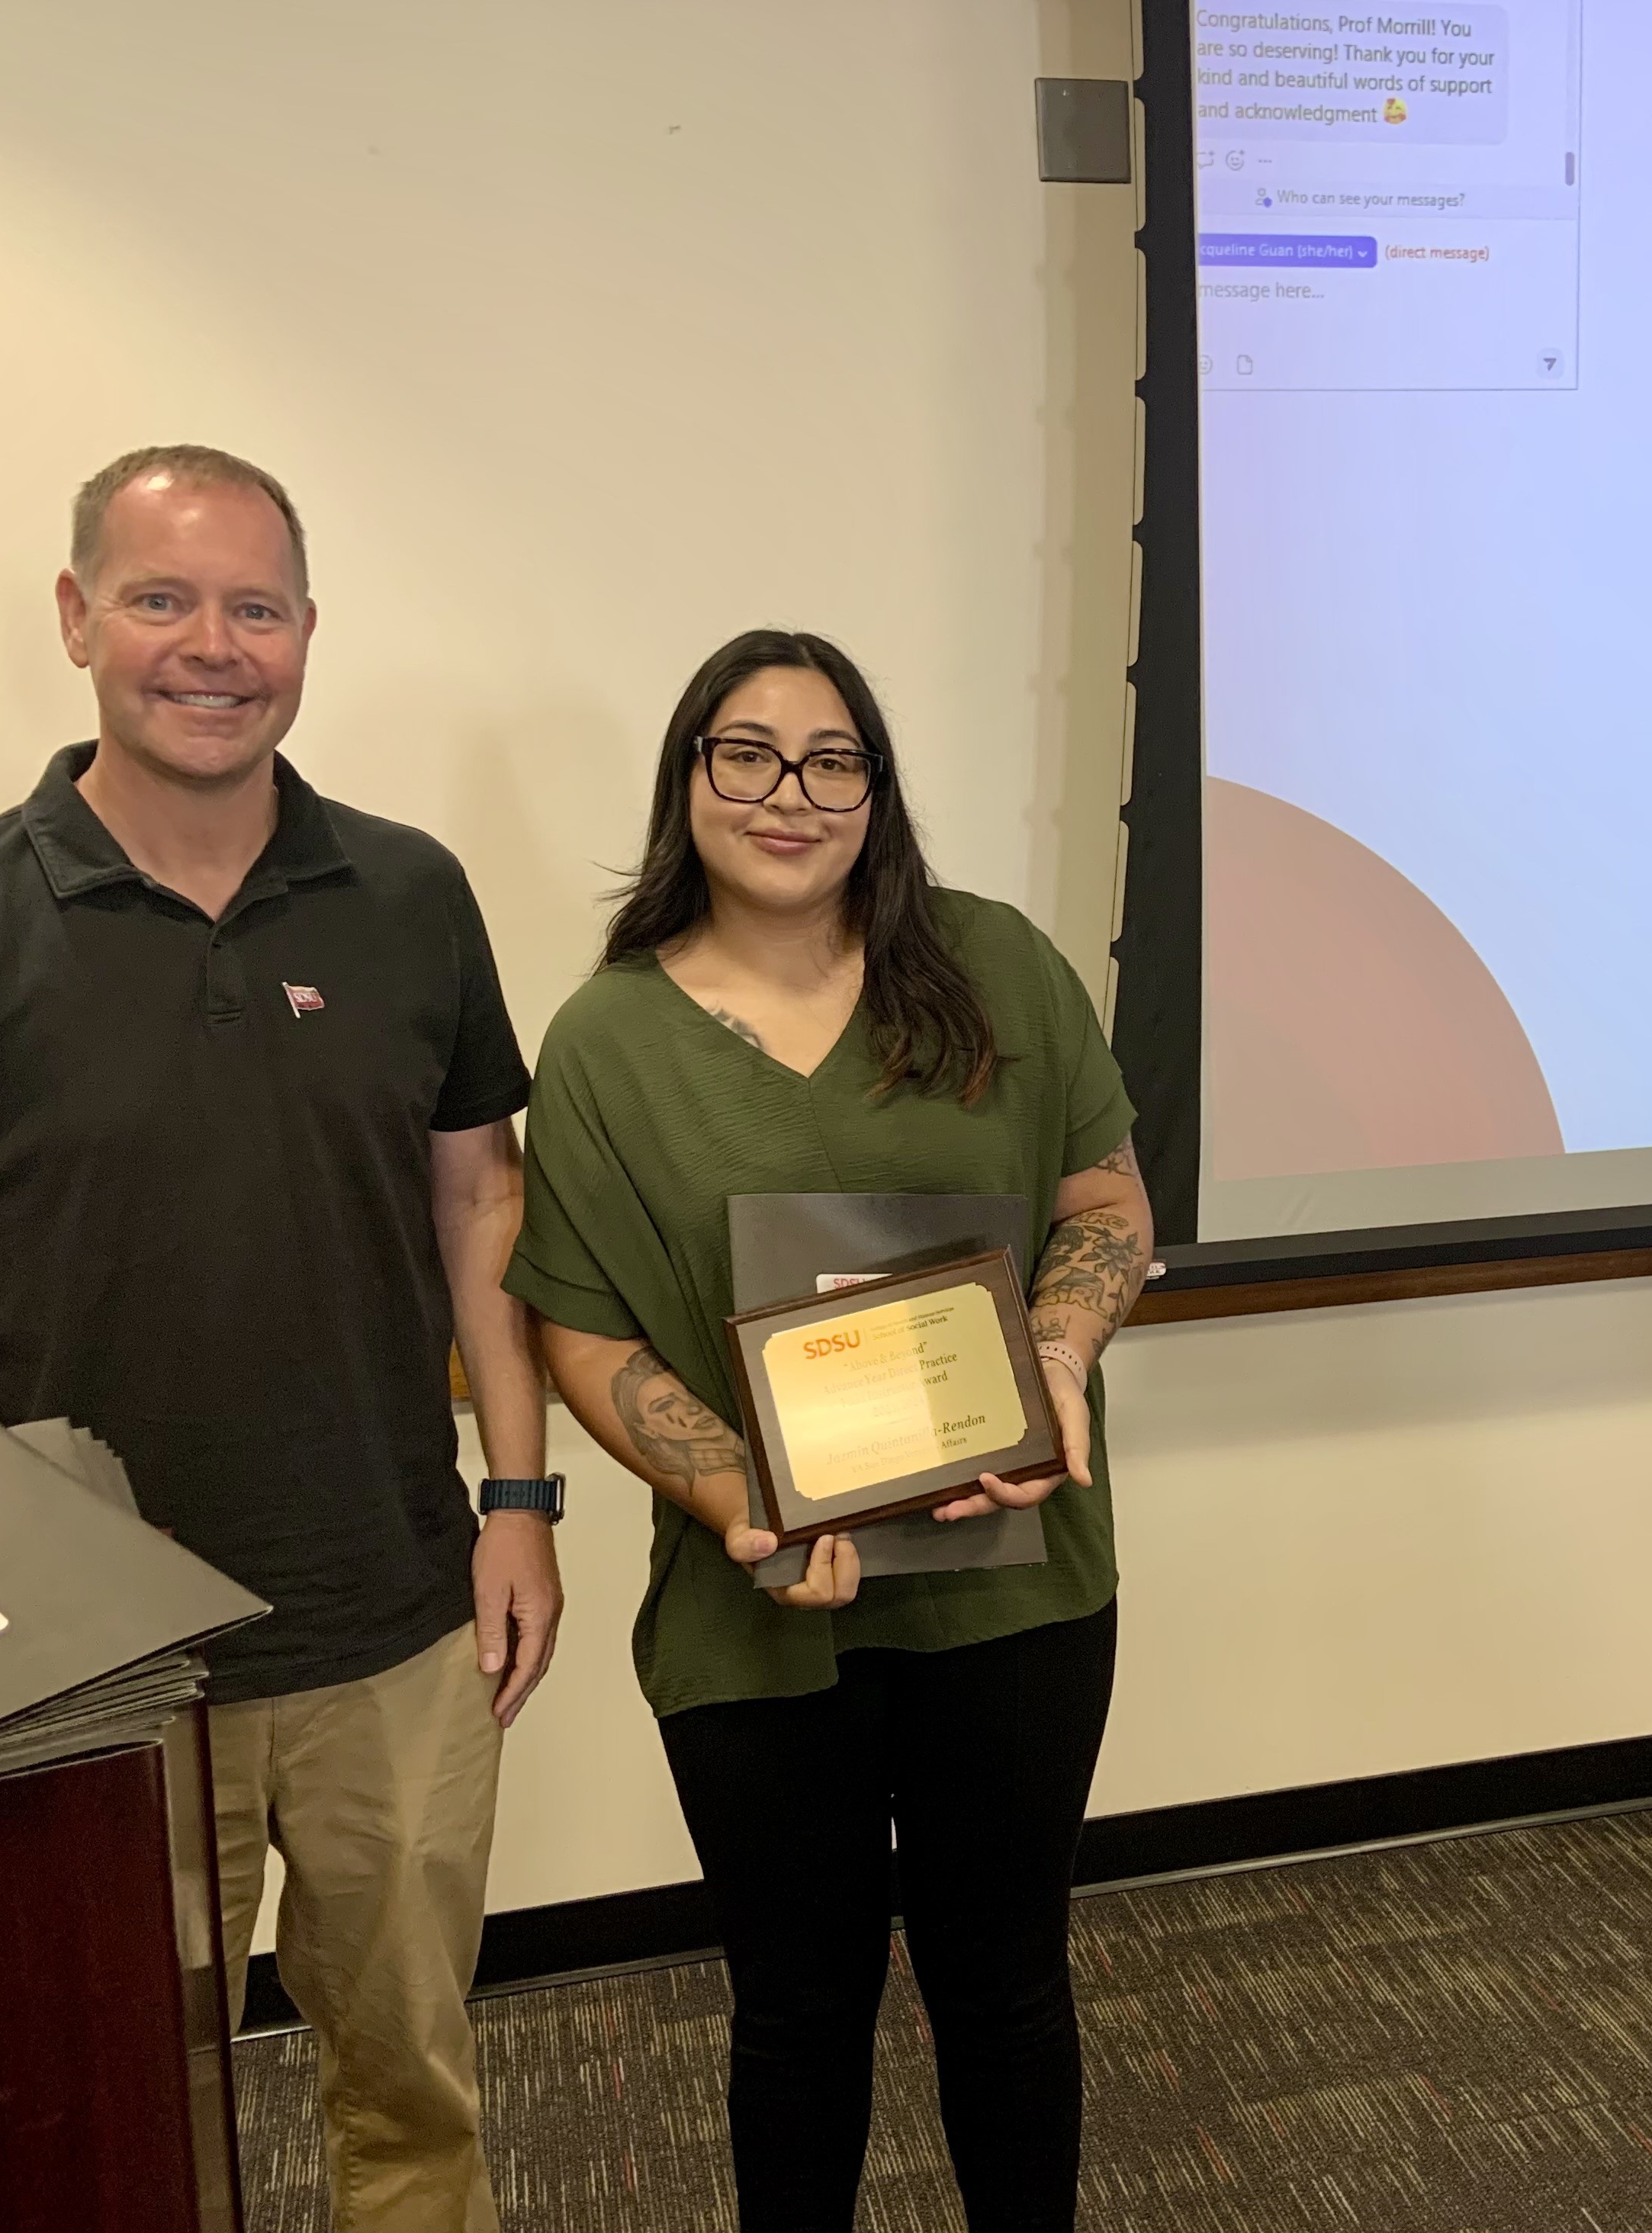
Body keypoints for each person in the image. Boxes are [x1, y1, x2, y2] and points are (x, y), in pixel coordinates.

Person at [0, 443, 556, 2233]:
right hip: (103, 1672)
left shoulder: (413, 893)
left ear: (306, 634)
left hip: (393, 1626)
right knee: (103, 2119)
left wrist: (519, 1494)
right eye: (162, 599)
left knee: (415, 2094)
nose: (214, 646)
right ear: (77, 620)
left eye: (257, 606)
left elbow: (482, 1209)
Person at [503, 627, 1153, 2233]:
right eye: (747, 752)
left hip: (1017, 1589)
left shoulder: (999, 967)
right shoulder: (608, 1043)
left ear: (877, 789)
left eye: (833, 757)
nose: (790, 792)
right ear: (690, 780)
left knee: (1005, 1990)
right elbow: (581, 1327)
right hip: (757, 1608)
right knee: (797, 2016)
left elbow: (1105, 1198)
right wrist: (738, 1494)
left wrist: (1058, 1353)